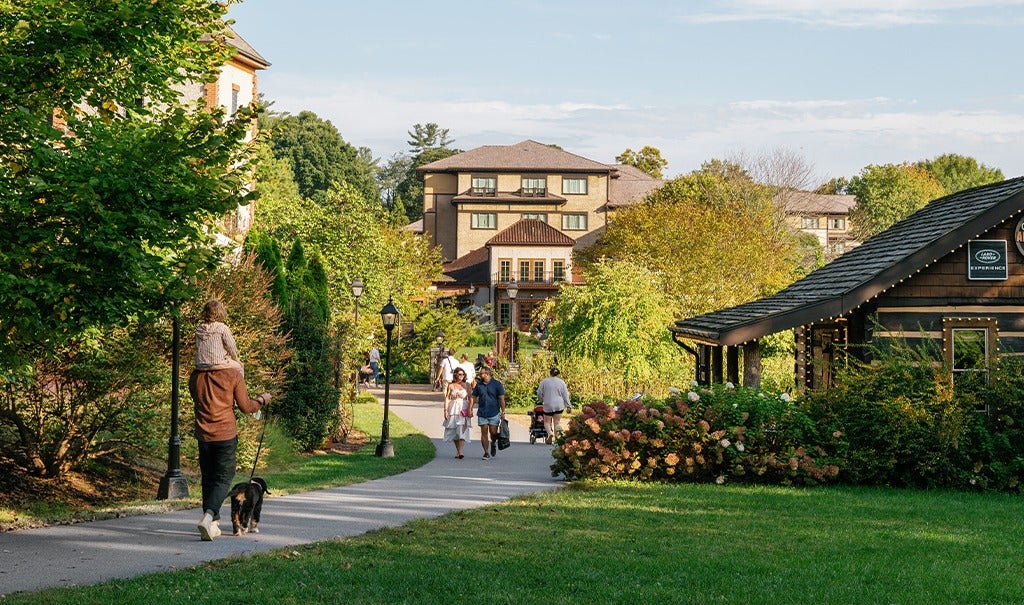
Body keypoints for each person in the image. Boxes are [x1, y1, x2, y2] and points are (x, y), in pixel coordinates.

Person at [189, 361, 270, 541]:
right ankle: (210, 515)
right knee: (224, 478)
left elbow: (197, 398)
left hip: (203, 435)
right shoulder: (233, 375)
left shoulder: (195, 375)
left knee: (208, 478)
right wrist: (262, 400)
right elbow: (246, 406)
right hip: (225, 434)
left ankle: (212, 524)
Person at [195, 299, 244, 377]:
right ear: (220, 313)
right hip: (217, 363)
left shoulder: (199, 329)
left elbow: (197, 347)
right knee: (239, 367)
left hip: (200, 364)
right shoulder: (222, 328)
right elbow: (231, 346)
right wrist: (236, 359)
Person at [468, 366, 505, 460]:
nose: (480, 375)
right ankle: (486, 452)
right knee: (484, 432)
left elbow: (501, 398)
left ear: (487, 374)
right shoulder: (479, 385)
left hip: (494, 412)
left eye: (481, 374)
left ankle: (493, 443)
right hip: (482, 412)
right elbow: (473, 397)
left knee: (493, 433)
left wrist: (503, 412)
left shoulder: (497, 384)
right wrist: (470, 409)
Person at [442, 367, 472, 458]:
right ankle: (458, 451)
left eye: (463, 374)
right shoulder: (451, 385)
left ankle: (461, 451)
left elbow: (471, 398)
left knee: (462, 428)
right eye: (459, 374)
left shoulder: (467, 385)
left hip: (463, 407)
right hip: (453, 408)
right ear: (455, 375)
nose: (461, 376)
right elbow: (447, 398)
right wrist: (445, 410)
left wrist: (470, 409)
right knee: (454, 429)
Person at [536, 367, 571, 444]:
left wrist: (541, 399)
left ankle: (550, 433)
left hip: (548, 404)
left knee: (547, 422)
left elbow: (539, 392)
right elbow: (565, 395)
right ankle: (557, 439)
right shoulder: (561, 382)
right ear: (558, 374)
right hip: (559, 405)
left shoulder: (544, 381)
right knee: (557, 422)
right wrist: (568, 406)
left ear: (550, 373)